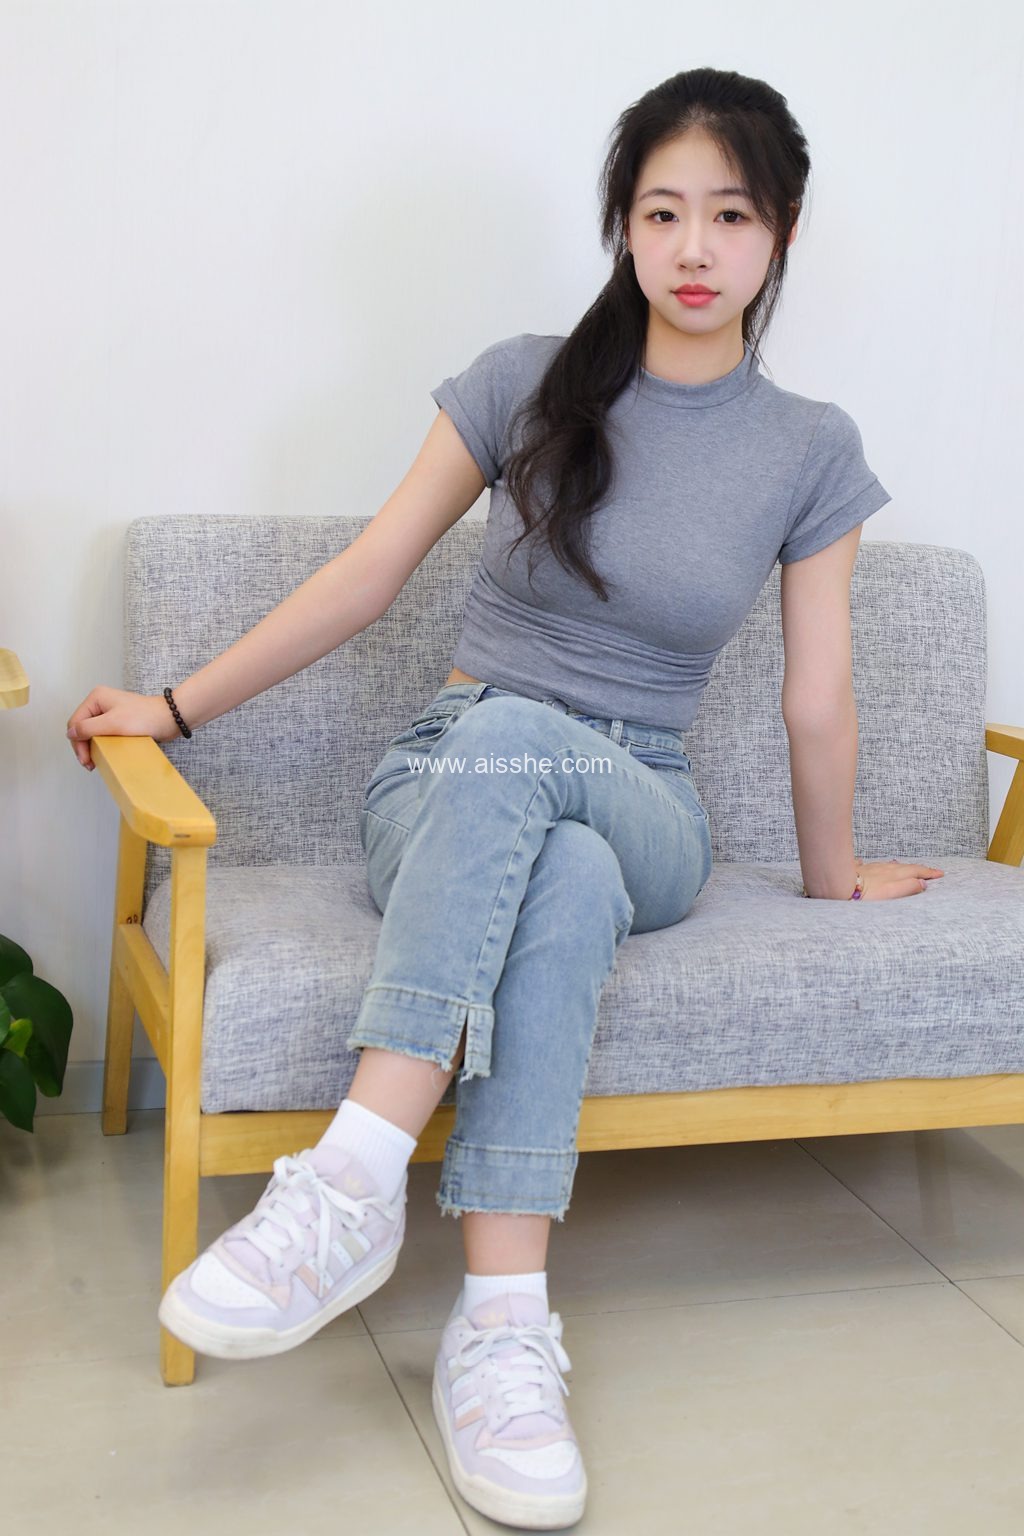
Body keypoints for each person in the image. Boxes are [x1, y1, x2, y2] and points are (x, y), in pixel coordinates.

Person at [66, 65, 944, 1532]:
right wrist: (174, 707)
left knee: (565, 789)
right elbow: (368, 574)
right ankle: (502, 1328)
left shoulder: (810, 448)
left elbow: (819, 692)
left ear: (782, 232)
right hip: (449, 772)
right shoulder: (526, 382)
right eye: (661, 211)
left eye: (731, 215)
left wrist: (834, 874)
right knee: (559, 857)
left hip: (648, 795)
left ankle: (350, 1179)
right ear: (621, 224)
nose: (694, 247)